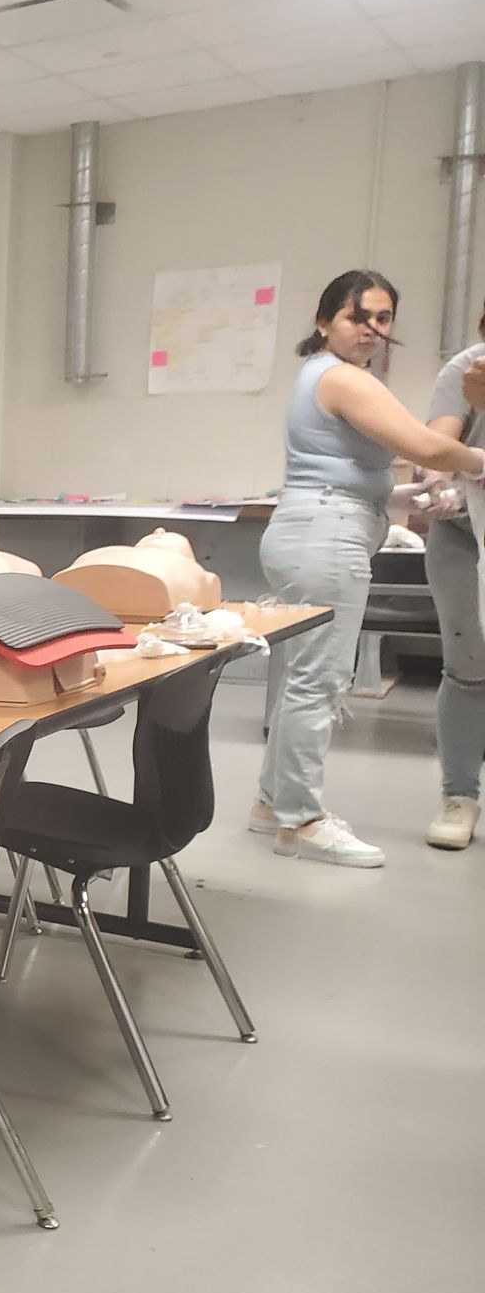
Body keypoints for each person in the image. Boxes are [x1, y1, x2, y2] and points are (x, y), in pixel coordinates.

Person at [252, 270, 485, 867]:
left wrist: (419, 498)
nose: (373, 331)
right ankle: (300, 822)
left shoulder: (324, 378)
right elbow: (429, 447)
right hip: (325, 538)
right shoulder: (340, 378)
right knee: (318, 682)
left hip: (317, 526)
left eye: (383, 320)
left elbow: (348, 477)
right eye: (360, 317)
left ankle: (272, 802)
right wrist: (473, 466)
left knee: (302, 677)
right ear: (324, 320)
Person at [420, 301, 485, 850]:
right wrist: (439, 479)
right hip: (464, 537)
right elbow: (439, 443)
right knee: (468, 666)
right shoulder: (468, 368)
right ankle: (460, 795)